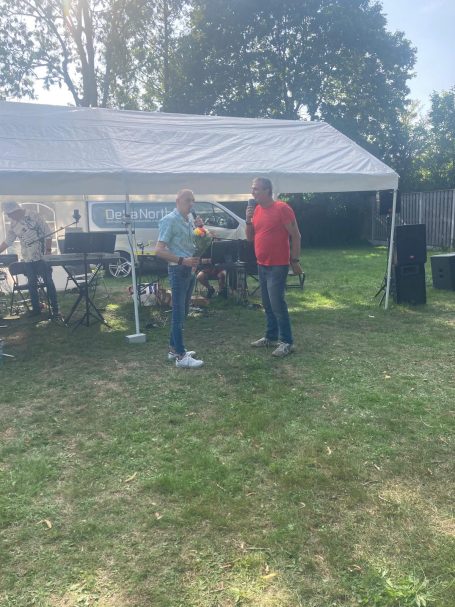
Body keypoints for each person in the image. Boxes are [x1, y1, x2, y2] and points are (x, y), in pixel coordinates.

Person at [246, 177, 303, 357]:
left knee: (277, 303)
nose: (253, 192)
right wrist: (248, 220)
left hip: (278, 265)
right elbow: (250, 237)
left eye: (256, 189)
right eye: (252, 189)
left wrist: (295, 261)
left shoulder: (282, 208)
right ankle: (271, 337)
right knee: (267, 303)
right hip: (262, 264)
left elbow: (296, 235)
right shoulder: (256, 210)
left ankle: (287, 342)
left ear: (267, 190)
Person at [155, 189, 206, 368]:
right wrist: (183, 261)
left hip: (189, 269)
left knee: (183, 311)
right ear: (177, 201)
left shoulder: (189, 219)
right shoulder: (169, 220)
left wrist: (200, 229)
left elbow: (193, 243)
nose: (191, 204)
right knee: (178, 313)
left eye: (193, 200)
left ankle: (173, 349)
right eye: (187, 200)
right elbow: (159, 250)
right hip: (178, 270)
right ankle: (181, 356)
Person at [0, 201, 60, 319]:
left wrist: (48, 252)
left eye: (10, 214)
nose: (10, 217)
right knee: (32, 284)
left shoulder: (34, 216)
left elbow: (48, 234)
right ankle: (36, 310)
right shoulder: (13, 224)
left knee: (48, 282)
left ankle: (55, 309)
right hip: (27, 258)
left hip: (41, 256)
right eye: (8, 215)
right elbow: (8, 241)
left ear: (16, 211)